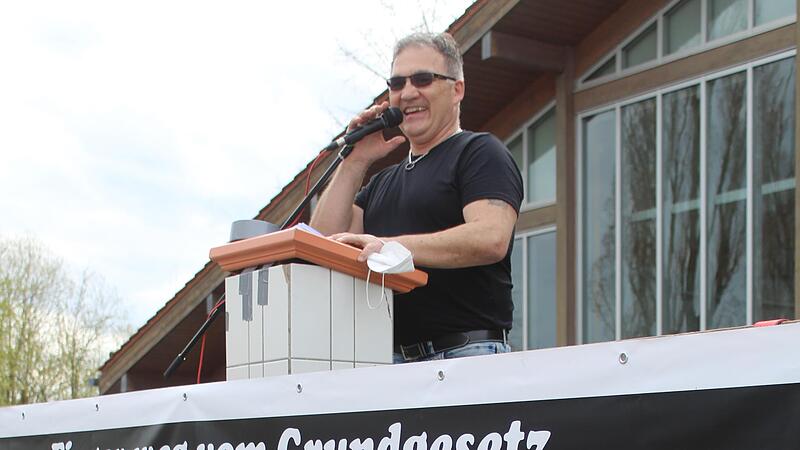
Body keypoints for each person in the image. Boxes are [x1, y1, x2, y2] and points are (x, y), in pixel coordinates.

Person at [310, 32, 523, 363]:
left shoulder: (479, 152)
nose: (408, 92)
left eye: (423, 79)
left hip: (465, 354)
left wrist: (390, 249)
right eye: (397, 84)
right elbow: (322, 242)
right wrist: (355, 161)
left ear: (457, 89)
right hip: (389, 360)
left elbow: (490, 237)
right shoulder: (382, 183)